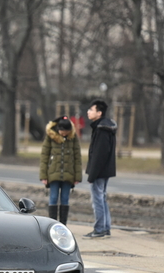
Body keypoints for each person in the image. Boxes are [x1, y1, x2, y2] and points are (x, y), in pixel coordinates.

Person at [39, 115, 82, 225]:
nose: (64, 134)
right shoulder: (50, 136)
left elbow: (77, 157)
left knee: (65, 199)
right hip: (53, 174)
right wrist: (43, 175)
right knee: (53, 198)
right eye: (62, 131)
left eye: (66, 131)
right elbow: (45, 156)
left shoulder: (73, 137)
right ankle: (53, 223)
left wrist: (77, 176)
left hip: (69, 174)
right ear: (58, 129)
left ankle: (63, 224)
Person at [85, 99, 117, 238]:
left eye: (91, 110)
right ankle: (105, 227)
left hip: (100, 171)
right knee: (102, 198)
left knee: (97, 199)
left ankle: (99, 229)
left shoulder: (101, 130)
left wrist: (92, 174)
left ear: (99, 113)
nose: (88, 112)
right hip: (104, 170)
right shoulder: (103, 127)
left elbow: (99, 154)